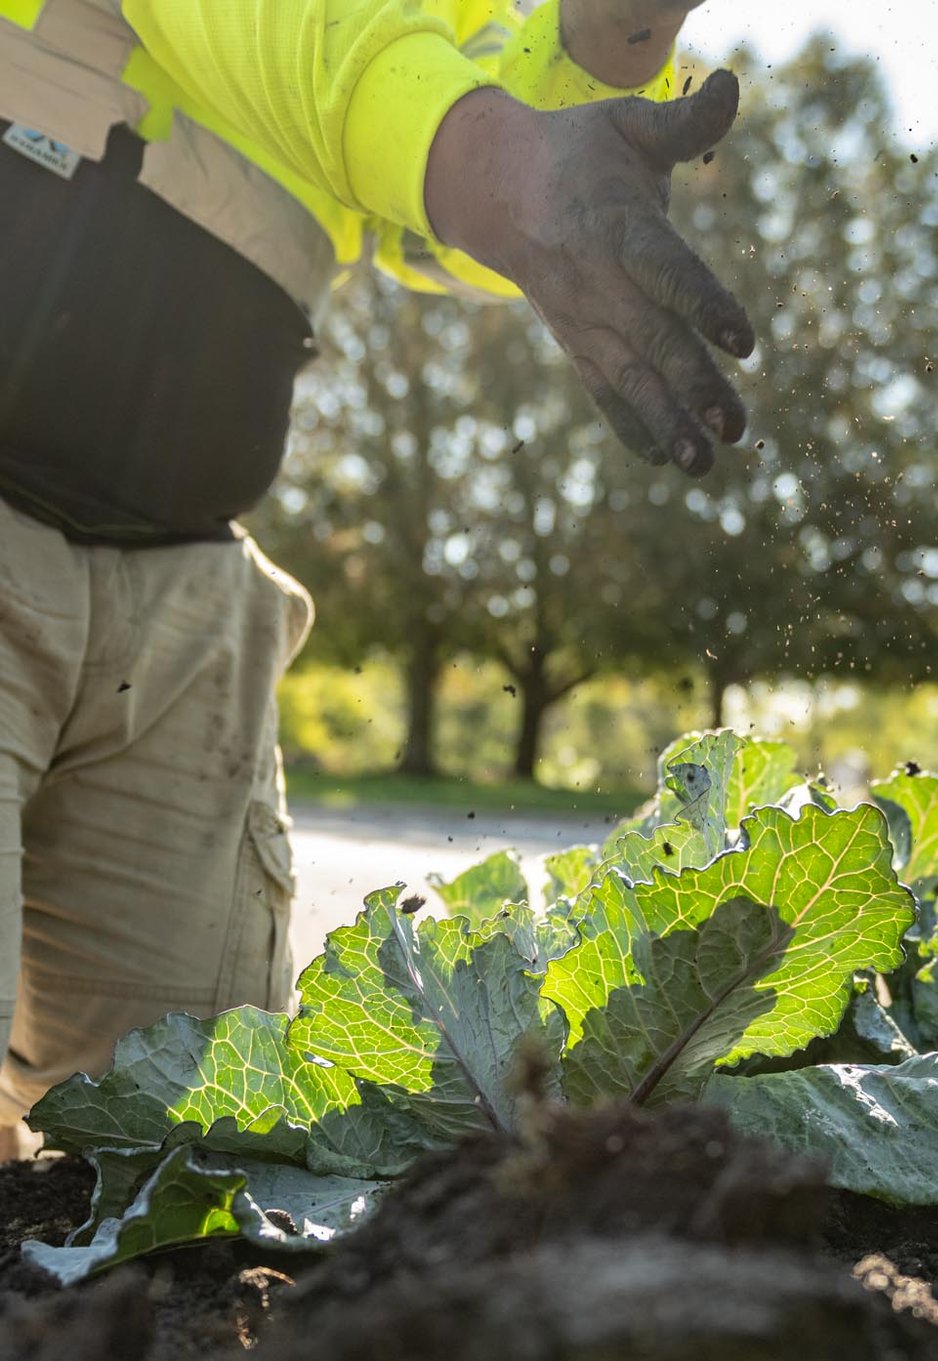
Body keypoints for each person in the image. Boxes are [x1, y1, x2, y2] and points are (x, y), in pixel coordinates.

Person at [0, 0, 754, 1159]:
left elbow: (450, 184)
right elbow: (324, 52)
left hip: (181, 604)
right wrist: (502, 161)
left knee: (166, 1166)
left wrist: (616, 28)